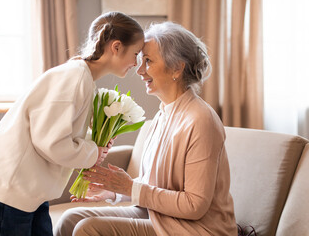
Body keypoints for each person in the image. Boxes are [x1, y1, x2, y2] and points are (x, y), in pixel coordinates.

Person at [54, 22, 237, 236]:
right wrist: (113, 190)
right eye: (141, 60)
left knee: (89, 229)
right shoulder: (163, 115)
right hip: (160, 215)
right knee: (70, 220)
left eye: (148, 61)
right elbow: (156, 185)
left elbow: (194, 205)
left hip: (198, 229)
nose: (139, 70)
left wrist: (129, 188)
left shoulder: (200, 120)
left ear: (177, 67)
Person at [0, 11, 144, 236]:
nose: (136, 63)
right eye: (135, 53)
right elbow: (51, 142)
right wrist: (93, 152)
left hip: (31, 186)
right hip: (15, 183)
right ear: (115, 47)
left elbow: (59, 131)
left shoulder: (81, 78)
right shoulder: (74, 78)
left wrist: (94, 142)